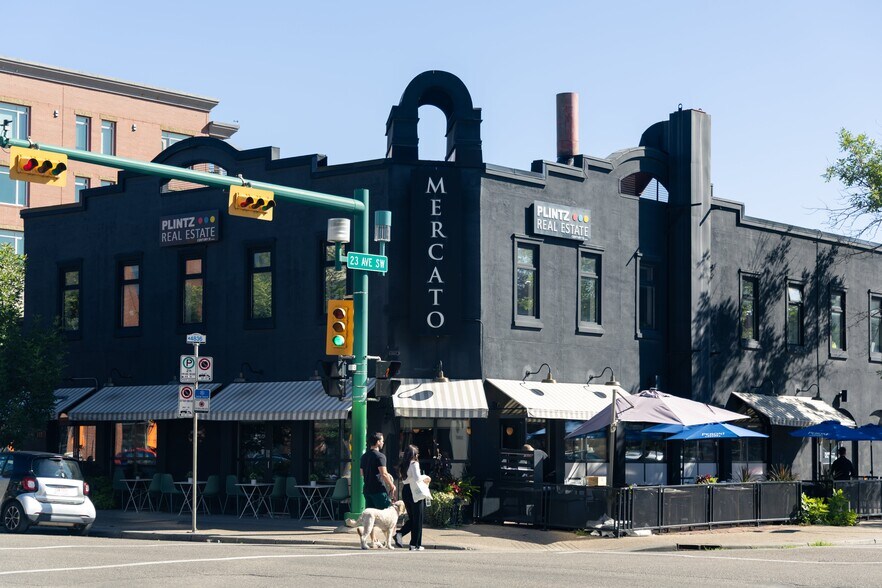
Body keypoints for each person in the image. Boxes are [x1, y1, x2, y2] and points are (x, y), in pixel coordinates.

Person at [395, 444, 430, 551]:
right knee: (418, 519)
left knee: (413, 518)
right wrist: (427, 477)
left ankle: (402, 536)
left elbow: (406, 479)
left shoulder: (403, 464)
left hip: (406, 490)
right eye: (417, 453)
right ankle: (415, 544)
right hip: (415, 491)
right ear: (414, 454)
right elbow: (418, 478)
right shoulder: (414, 463)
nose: (418, 455)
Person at [360, 432, 396, 509]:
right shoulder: (380, 456)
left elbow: (362, 473)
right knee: (384, 515)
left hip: (367, 490)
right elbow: (384, 474)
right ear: (378, 442)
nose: (383, 442)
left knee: (371, 516)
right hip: (378, 490)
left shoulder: (364, 456)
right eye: (382, 440)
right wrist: (391, 485)